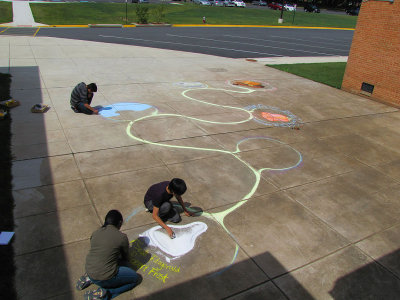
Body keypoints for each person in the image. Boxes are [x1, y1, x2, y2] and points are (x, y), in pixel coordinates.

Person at [76, 210, 140, 300]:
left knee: (107, 256)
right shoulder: (121, 237)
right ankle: (107, 293)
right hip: (104, 276)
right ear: (120, 223)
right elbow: (126, 257)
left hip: (89, 269)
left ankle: (88, 278)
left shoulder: (96, 232)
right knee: (134, 278)